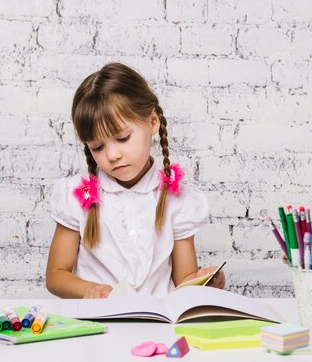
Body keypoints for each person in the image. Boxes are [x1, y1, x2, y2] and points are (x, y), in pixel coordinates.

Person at [45, 62, 225, 298]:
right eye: (97, 147)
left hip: (158, 325)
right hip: (99, 325)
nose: (112, 155)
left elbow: (184, 279)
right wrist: (90, 289)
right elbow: (56, 275)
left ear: (151, 123)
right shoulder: (76, 198)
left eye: (122, 138)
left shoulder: (176, 199)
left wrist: (204, 281)